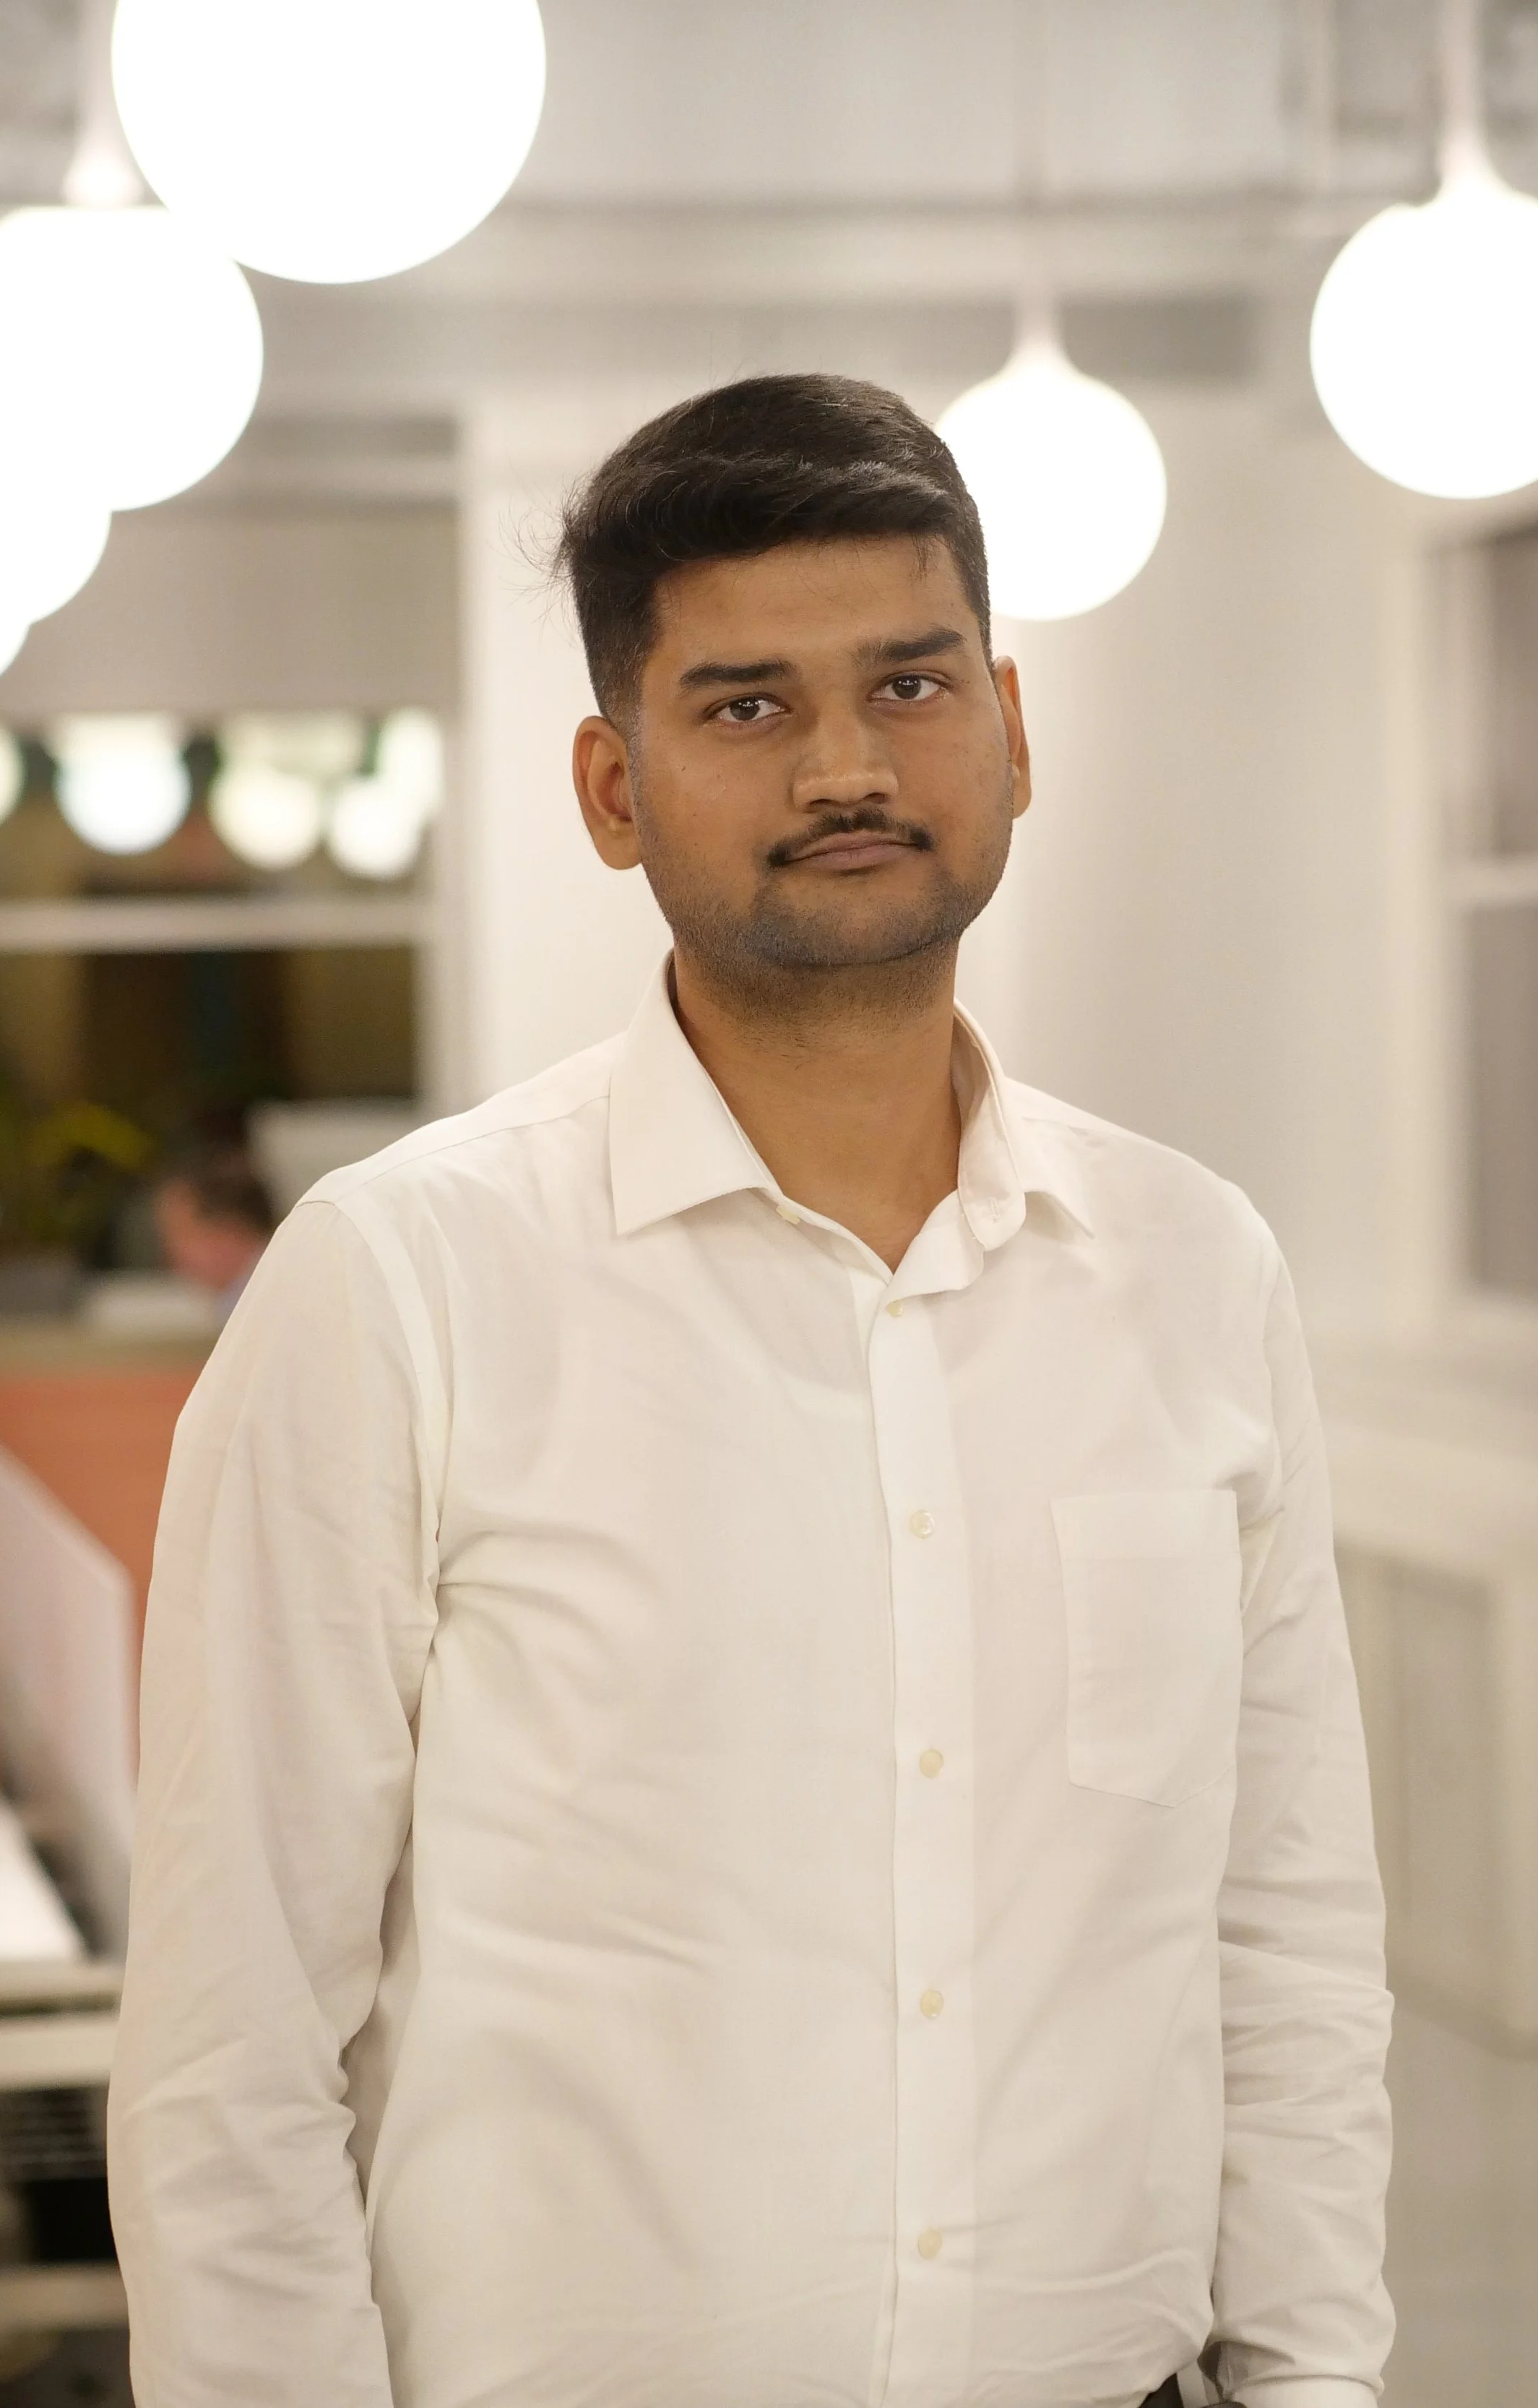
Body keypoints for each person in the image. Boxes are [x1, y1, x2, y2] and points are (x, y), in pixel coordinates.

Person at [109, 375, 1392, 2408]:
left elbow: (1286, 1936)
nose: (846, 764)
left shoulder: (1190, 1271)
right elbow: (233, 2036)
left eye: (910, 683)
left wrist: (1314, 2378)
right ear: (611, 790)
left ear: (1014, 731)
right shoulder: (400, 1282)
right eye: (744, 706)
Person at [151, 1147, 274, 1321]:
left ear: (231, 1230)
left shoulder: (270, 1305)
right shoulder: (236, 1305)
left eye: (182, 1234)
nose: (170, 1254)